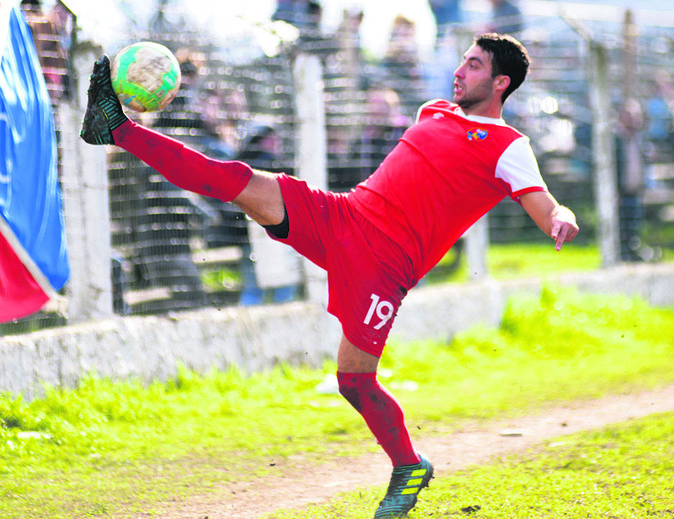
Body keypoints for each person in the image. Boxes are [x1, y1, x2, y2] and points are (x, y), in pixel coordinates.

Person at [80, 33, 579, 518]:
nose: (459, 70)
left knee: (353, 381)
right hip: (344, 215)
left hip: (383, 266)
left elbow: (543, 202)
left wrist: (560, 217)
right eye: (463, 59)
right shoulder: (434, 111)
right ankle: (116, 129)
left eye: (473, 65)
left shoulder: (508, 146)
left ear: (500, 84)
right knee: (234, 180)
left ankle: (408, 465)